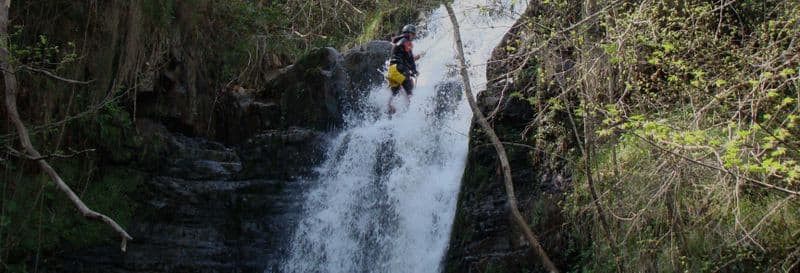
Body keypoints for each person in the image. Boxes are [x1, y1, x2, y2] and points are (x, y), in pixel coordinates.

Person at [386, 24, 422, 114]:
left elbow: (402, 57)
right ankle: (414, 112)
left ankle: (390, 111)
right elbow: (409, 58)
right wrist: (414, 71)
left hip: (392, 71)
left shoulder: (399, 42)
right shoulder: (406, 41)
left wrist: (415, 58)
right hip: (400, 69)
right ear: (409, 33)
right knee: (409, 88)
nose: (413, 37)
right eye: (413, 34)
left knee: (395, 93)